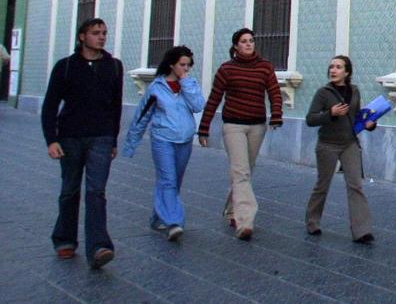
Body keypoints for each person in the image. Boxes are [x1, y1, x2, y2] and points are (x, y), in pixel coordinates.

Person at [41, 18, 123, 269]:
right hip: (70, 137)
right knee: (70, 190)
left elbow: (116, 106)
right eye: (96, 33)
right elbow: (50, 105)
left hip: (101, 137)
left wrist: (113, 139)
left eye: (104, 33)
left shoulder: (114, 66)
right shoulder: (65, 66)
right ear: (82, 37)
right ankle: (65, 239)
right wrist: (51, 140)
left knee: (96, 191)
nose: (101, 37)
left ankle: (99, 246)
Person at [197, 28, 282, 240]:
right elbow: (215, 99)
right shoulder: (227, 69)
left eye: (251, 41)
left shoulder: (265, 67)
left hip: (256, 126)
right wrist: (204, 127)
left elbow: (274, 92)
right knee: (241, 171)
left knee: (246, 170)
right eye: (244, 41)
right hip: (233, 125)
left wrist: (277, 115)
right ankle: (245, 222)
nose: (248, 44)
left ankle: (232, 209)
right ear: (236, 46)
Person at [122, 45, 205, 241]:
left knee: (175, 181)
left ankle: (157, 217)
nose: (185, 69)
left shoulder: (190, 85)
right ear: (171, 65)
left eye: (188, 65)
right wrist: (131, 143)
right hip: (162, 139)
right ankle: (174, 222)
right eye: (182, 65)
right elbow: (142, 115)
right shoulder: (156, 88)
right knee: (167, 179)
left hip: (184, 140)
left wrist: (187, 85)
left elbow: (198, 105)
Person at [305, 55, 375, 243]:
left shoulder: (354, 91)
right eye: (331, 67)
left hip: (349, 143)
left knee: (356, 185)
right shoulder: (323, 93)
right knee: (323, 184)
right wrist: (331, 113)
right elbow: (310, 119)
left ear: (347, 72)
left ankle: (362, 231)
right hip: (327, 144)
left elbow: (357, 117)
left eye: (338, 67)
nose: (333, 70)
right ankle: (312, 222)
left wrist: (368, 124)